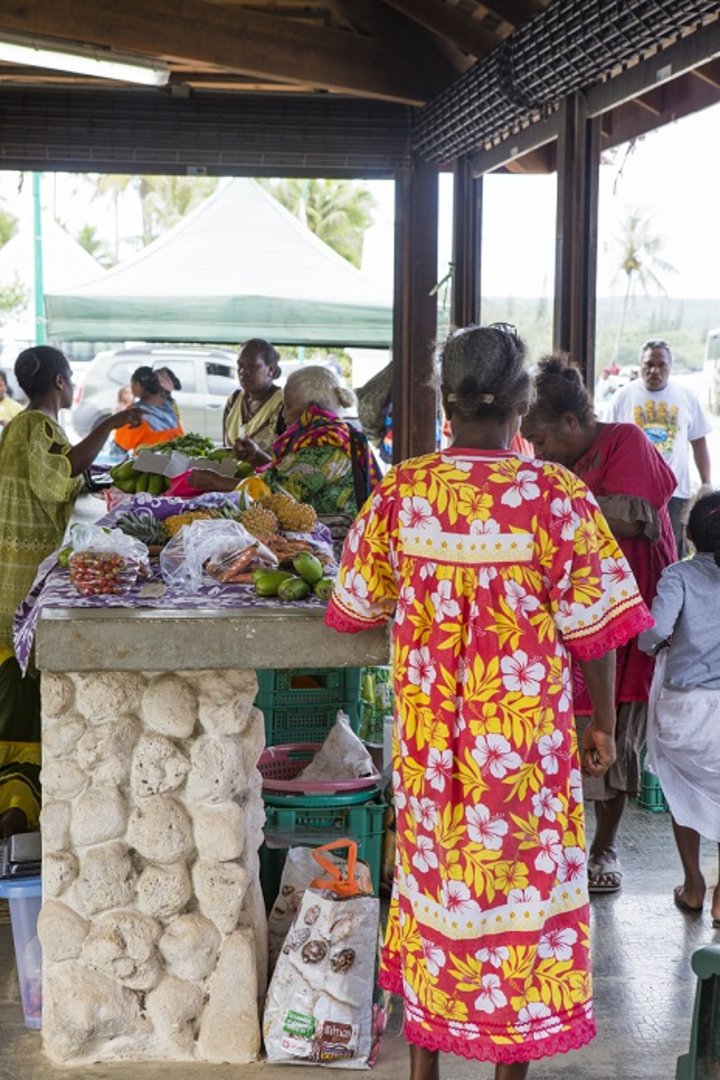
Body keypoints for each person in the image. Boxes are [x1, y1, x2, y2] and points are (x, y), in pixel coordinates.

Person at [325, 325, 652, 1078]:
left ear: (445, 400)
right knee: (522, 903)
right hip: (522, 754)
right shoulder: (555, 497)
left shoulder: (403, 492)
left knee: (436, 889)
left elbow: (356, 604)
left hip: (432, 750)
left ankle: (424, 1070)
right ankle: (509, 1067)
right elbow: (595, 629)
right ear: (523, 400)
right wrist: (603, 724)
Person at [522, 355, 677, 894]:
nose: (537, 453)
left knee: (612, 735)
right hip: (569, 613)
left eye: (542, 440)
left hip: (625, 615)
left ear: (571, 422)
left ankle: (604, 847)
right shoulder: (557, 467)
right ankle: (554, 848)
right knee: (562, 734)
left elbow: (637, 516)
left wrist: (554, 501)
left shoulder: (624, 441)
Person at [0, 345, 141, 837]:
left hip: (20, 567)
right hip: (18, 576)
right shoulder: (32, 426)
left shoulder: (29, 426)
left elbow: (63, 474)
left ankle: (20, 799)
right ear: (61, 382)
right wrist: (110, 424)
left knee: (21, 692)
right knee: (20, 693)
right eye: (70, 378)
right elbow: (58, 482)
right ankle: (18, 805)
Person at [638, 491, 720, 927]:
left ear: (690, 534)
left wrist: (657, 645)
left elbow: (654, 632)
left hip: (685, 708)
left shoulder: (679, 576)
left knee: (682, 788)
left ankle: (693, 886)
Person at [192, 365, 381, 520]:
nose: (283, 414)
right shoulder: (327, 434)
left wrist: (215, 481)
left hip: (335, 540)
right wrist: (258, 458)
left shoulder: (326, 445)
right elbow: (290, 475)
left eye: (288, 406)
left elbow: (273, 494)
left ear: (311, 409)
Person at [606, 339, 713, 554]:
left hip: (675, 491)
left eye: (661, 364)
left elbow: (698, 441)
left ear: (670, 366)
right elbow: (608, 443)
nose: (654, 370)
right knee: (635, 552)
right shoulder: (622, 397)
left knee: (671, 550)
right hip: (633, 493)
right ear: (640, 366)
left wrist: (706, 482)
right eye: (649, 364)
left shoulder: (686, 395)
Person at [223, 338, 285, 455]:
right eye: (240, 365)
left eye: (252, 366)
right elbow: (224, 452)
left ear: (270, 370)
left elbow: (287, 460)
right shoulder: (234, 400)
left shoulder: (284, 404)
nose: (243, 371)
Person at [110, 365, 184, 458]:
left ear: (137, 385)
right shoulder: (171, 407)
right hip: (175, 460)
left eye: (132, 383)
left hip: (148, 464)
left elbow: (117, 451)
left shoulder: (135, 413)